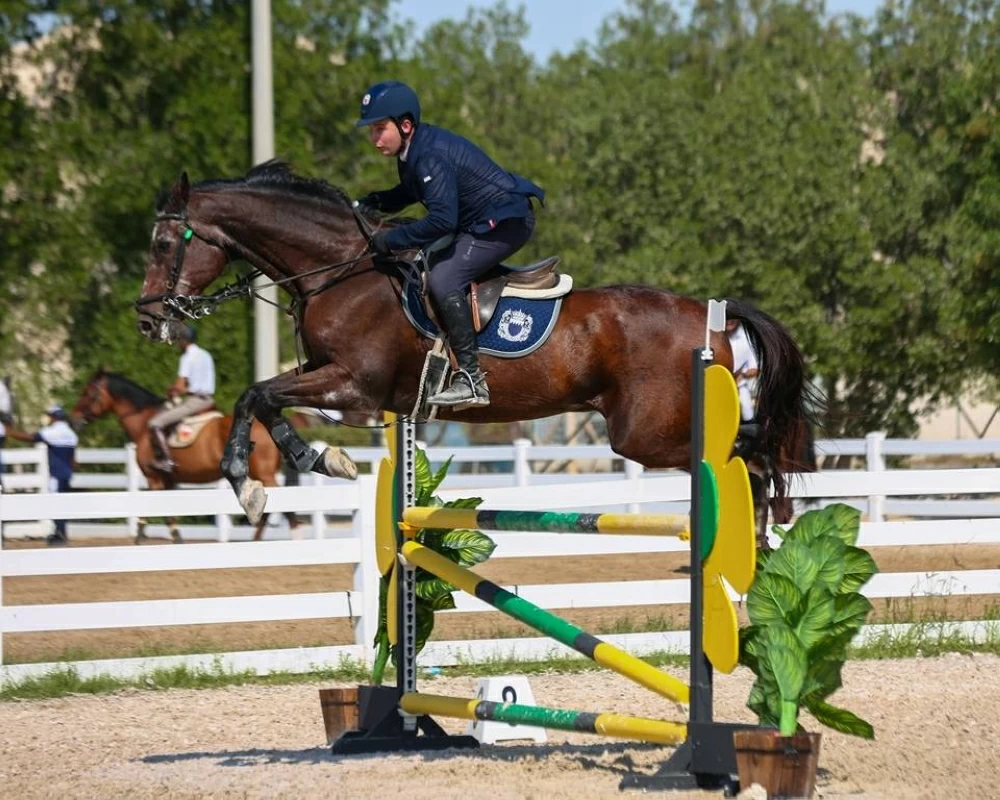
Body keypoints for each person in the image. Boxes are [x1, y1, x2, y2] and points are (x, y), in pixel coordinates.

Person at [354, 80, 545, 408]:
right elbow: (410, 193)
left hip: (505, 222)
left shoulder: (427, 157)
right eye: (371, 130)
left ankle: (471, 378)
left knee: (444, 277)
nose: (374, 139)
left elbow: (443, 221)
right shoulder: (412, 150)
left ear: (405, 124)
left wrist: (390, 239)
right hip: (481, 221)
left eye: (379, 129)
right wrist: (368, 202)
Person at [5, 405, 78, 545]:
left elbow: (32, 437)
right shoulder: (71, 433)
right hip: (67, 473)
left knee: (56, 504)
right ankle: (61, 532)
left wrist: (10, 432)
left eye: (50, 416)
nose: (48, 419)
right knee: (64, 503)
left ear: (54, 417)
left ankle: (60, 534)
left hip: (56, 473)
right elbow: (74, 459)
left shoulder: (53, 431)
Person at [148, 325, 216, 472]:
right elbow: (199, 382)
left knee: (155, 422)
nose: (178, 343)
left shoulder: (187, 358)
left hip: (195, 401)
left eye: (179, 340)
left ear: (184, 341)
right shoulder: (205, 354)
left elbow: (179, 386)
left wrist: (172, 390)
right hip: (209, 399)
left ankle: (166, 460)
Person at [727, 319, 760, 422]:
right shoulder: (711, 336)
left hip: (740, 386)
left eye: (732, 318)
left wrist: (742, 375)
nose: (729, 321)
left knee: (747, 412)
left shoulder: (748, 340)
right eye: (727, 317)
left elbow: (755, 369)